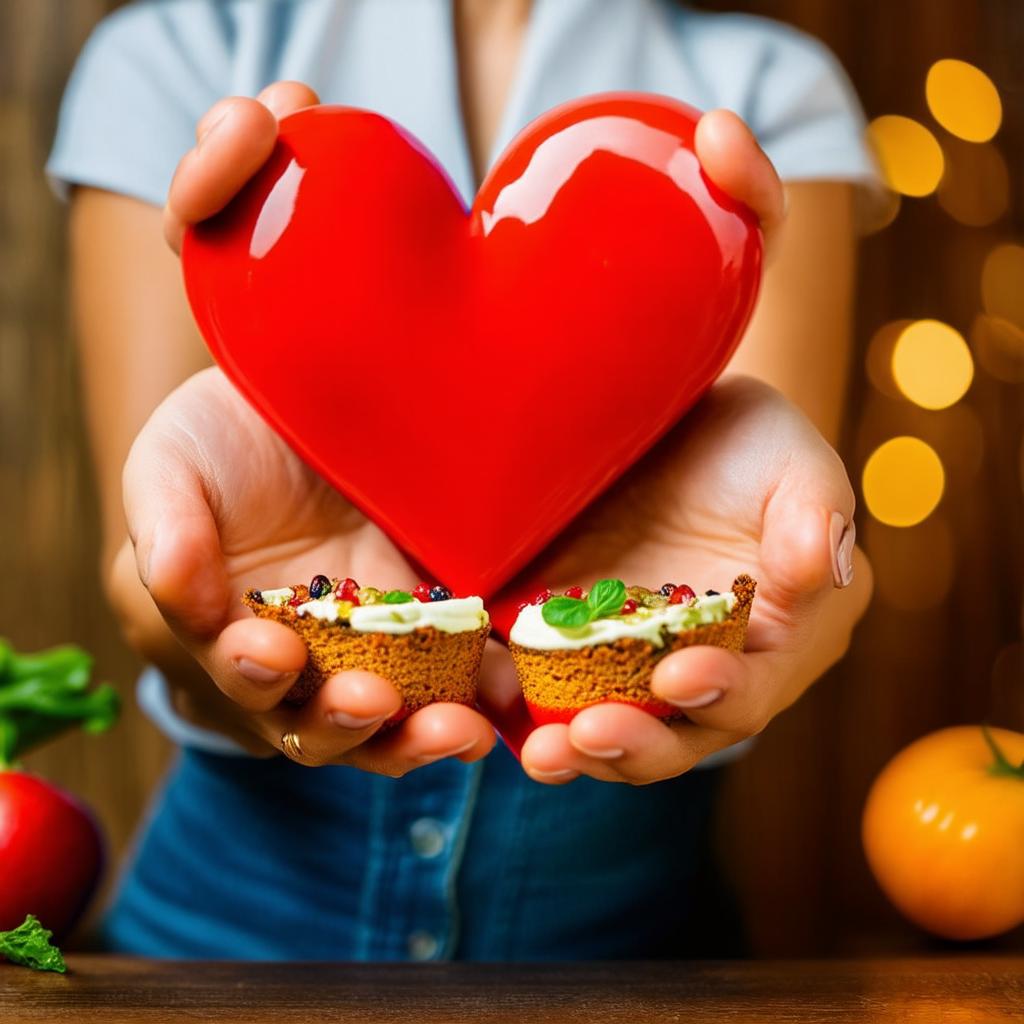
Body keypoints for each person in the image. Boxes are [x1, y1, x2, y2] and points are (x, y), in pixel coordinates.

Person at [49, 0, 874, 959]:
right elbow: (149, 577)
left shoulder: (771, 90)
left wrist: (805, 594)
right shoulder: (178, 52)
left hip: (636, 950)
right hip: (222, 933)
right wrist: (225, 630)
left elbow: (796, 570)